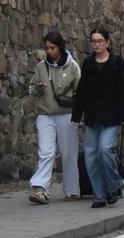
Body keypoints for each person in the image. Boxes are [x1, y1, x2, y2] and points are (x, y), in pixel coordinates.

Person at [71, 26, 124, 208]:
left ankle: (114, 185)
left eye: (100, 41)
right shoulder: (88, 63)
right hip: (92, 115)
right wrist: (76, 114)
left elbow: (123, 90)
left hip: (111, 116)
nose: (97, 44)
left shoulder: (116, 63)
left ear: (107, 43)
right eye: (94, 41)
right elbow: (82, 91)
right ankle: (99, 195)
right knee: (91, 157)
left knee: (105, 149)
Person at [27, 32, 82, 204]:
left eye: (52, 48)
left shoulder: (73, 66)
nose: (49, 51)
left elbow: (81, 93)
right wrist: (37, 88)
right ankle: (40, 189)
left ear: (60, 47)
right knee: (46, 152)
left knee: (69, 153)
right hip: (45, 115)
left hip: (67, 115)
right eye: (47, 48)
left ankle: (71, 190)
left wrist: (80, 116)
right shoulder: (41, 67)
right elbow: (31, 90)